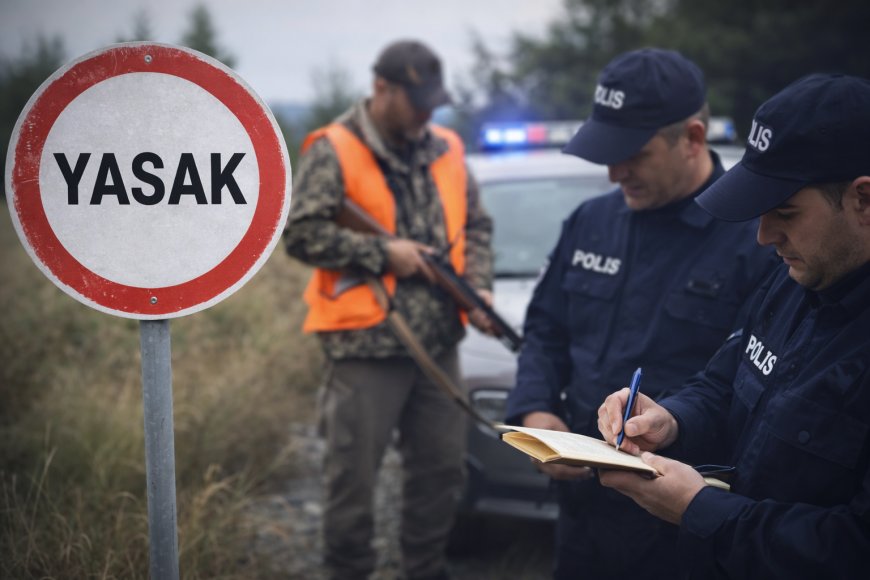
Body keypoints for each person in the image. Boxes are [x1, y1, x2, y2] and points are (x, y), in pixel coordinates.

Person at [504, 48, 777, 579]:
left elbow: (750, 385)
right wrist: (537, 414)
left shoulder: (759, 240)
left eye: (633, 153)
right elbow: (545, 329)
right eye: (606, 152)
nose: (613, 172)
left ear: (692, 139)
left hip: (683, 520)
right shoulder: (590, 221)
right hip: (583, 509)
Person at [597, 73, 870, 579]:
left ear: (863, 200)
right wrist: (672, 420)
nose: (765, 236)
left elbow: (854, 547)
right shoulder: (795, 278)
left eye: (785, 212)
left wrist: (698, 510)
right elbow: (725, 383)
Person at [283, 39, 493, 580]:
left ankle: (423, 569)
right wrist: (384, 253)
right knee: (350, 483)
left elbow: (476, 225)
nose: (428, 114)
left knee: (442, 473)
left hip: (438, 346)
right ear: (382, 89)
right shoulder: (334, 147)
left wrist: (481, 288)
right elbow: (301, 234)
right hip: (365, 348)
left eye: (432, 104)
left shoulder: (446, 146)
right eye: (417, 102)